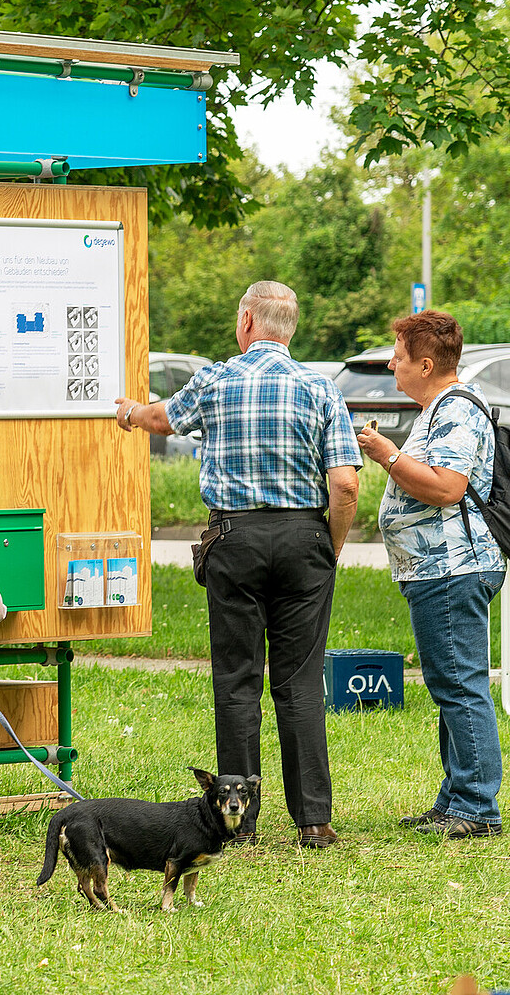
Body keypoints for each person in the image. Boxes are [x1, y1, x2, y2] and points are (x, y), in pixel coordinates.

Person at [114, 280, 360, 848]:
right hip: (305, 539)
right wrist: (331, 548)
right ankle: (314, 821)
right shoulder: (321, 389)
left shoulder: (217, 380)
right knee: (300, 685)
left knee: (237, 680)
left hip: (234, 537)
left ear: (247, 321)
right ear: (289, 327)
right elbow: (345, 483)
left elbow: (161, 419)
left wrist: (126, 411)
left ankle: (240, 822)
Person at [357, 311, 504, 839]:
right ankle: (456, 797)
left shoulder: (457, 412)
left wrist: (386, 454)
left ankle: (477, 807)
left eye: (397, 355)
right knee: (450, 686)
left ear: (424, 363)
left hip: (452, 567)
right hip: (436, 569)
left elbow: (446, 487)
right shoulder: (436, 409)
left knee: (462, 687)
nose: (392, 364)